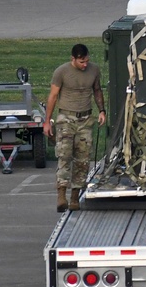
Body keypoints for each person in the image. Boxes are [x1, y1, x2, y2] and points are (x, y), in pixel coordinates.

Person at [44, 44, 106, 212]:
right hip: (66, 118)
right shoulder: (61, 72)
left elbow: (97, 90)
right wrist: (47, 121)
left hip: (85, 119)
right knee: (64, 155)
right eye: (81, 62)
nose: (84, 65)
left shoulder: (94, 70)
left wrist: (102, 111)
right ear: (73, 59)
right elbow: (53, 96)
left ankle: (75, 196)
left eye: (86, 61)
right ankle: (61, 194)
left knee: (83, 159)